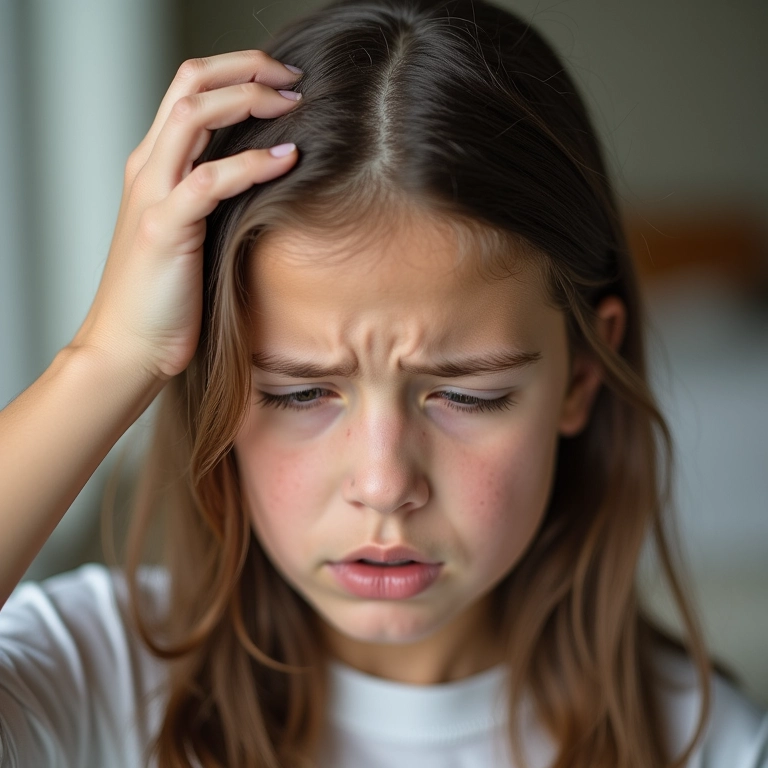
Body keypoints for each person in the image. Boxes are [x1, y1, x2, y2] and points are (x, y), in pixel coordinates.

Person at [1, 0, 766, 765]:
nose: (384, 483)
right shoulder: (92, 675)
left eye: (467, 394)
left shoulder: (709, 741)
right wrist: (107, 358)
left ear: (582, 376)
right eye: (300, 393)